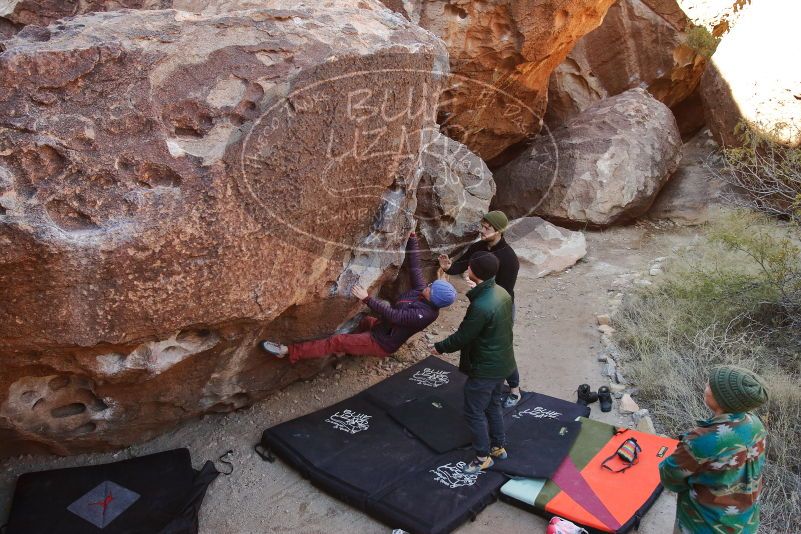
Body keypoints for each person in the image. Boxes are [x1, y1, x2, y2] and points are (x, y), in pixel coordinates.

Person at [259, 232, 457, 363]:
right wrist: (412, 239)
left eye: (432, 288)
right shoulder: (423, 293)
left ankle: (288, 352)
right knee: (363, 321)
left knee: (337, 341)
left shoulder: (425, 314)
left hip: (381, 342)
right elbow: (415, 268)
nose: (428, 285)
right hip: (380, 327)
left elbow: (396, 317)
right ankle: (345, 350)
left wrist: (367, 298)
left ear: (434, 300)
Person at [431, 251, 516, 474]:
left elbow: (463, 336)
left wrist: (439, 347)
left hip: (485, 368)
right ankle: (498, 446)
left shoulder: (481, 306)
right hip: (502, 363)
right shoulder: (501, 293)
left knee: (473, 411)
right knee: (494, 404)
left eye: (469, 266)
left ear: (472, 271)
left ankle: (481, 457)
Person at [659, 366, 768, 534]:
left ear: (723, 399)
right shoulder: (755, 424)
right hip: (747, 524)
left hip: (702, 526)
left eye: (710, 385)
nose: (705, 386)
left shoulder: (702, 439)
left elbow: (669, 478)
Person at [438, 210, 522, 407]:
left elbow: (505, 291)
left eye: (487, 228)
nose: (482, 231)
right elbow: (463, 265)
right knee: (482, 348)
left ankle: (515, 391)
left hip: (501, 306)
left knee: (501, 350)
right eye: (482, 226)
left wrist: (481, 289)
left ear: (499, 230)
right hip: (483, 304)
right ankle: (487, 387)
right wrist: (448, 267)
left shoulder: (509, 258)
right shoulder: (478, 247)